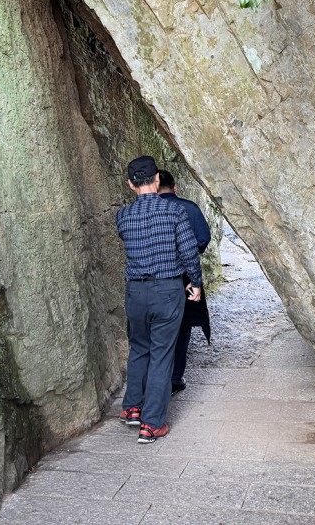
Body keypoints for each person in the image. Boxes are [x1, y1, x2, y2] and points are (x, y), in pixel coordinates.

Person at [115, 156, 202, 444]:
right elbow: (189, 252)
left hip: (135, 292)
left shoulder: (123, 216)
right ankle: (152, 424)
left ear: (130, 184)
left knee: (139, 348)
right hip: (167, 291)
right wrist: (196, 284)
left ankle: (132, 408)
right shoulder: (175, 213)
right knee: (163, 353)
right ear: (156, 180)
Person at [157, 170, 212, 394]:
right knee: (182, 326)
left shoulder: (148, 210)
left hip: (154, 279)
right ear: (176, 187)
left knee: (158, 329)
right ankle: (175, 377)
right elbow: (203, 237)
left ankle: (156, 379)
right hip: (185, 278)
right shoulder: (189, 208)